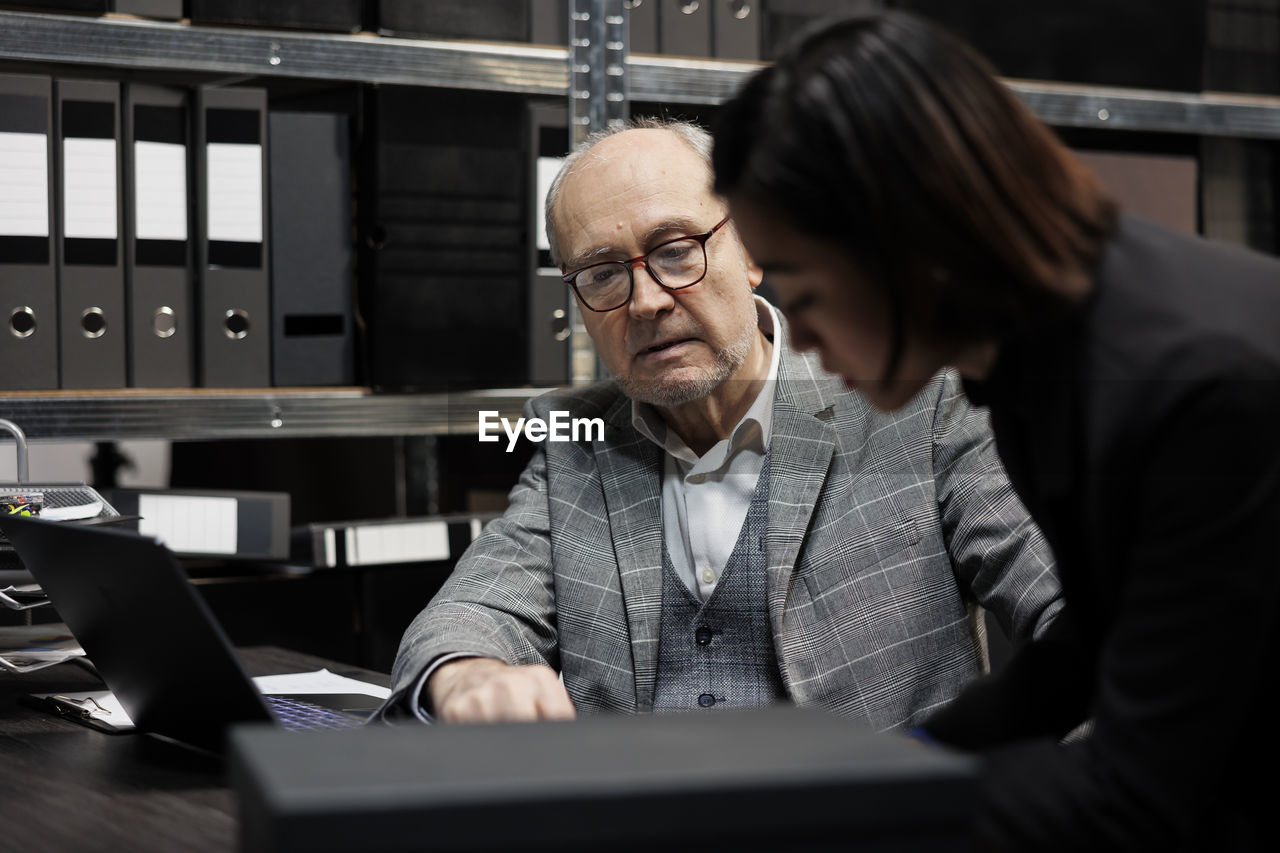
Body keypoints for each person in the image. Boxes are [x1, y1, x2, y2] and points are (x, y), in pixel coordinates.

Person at [711, 10, 1280, 852]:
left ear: (907, 243)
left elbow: (1140, 791)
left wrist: (848, 814)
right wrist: (909, 757)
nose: (803, 338)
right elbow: (1097, 645)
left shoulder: (1197, 387)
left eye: (803, 291)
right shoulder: (1027, 356)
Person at [384, 118, 1061, 731]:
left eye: (676, 249)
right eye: (602, 273)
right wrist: (468, 669)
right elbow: (473, 609)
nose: (646, 301)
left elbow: (1076, 614)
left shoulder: (920, 399)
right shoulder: (574, 437)